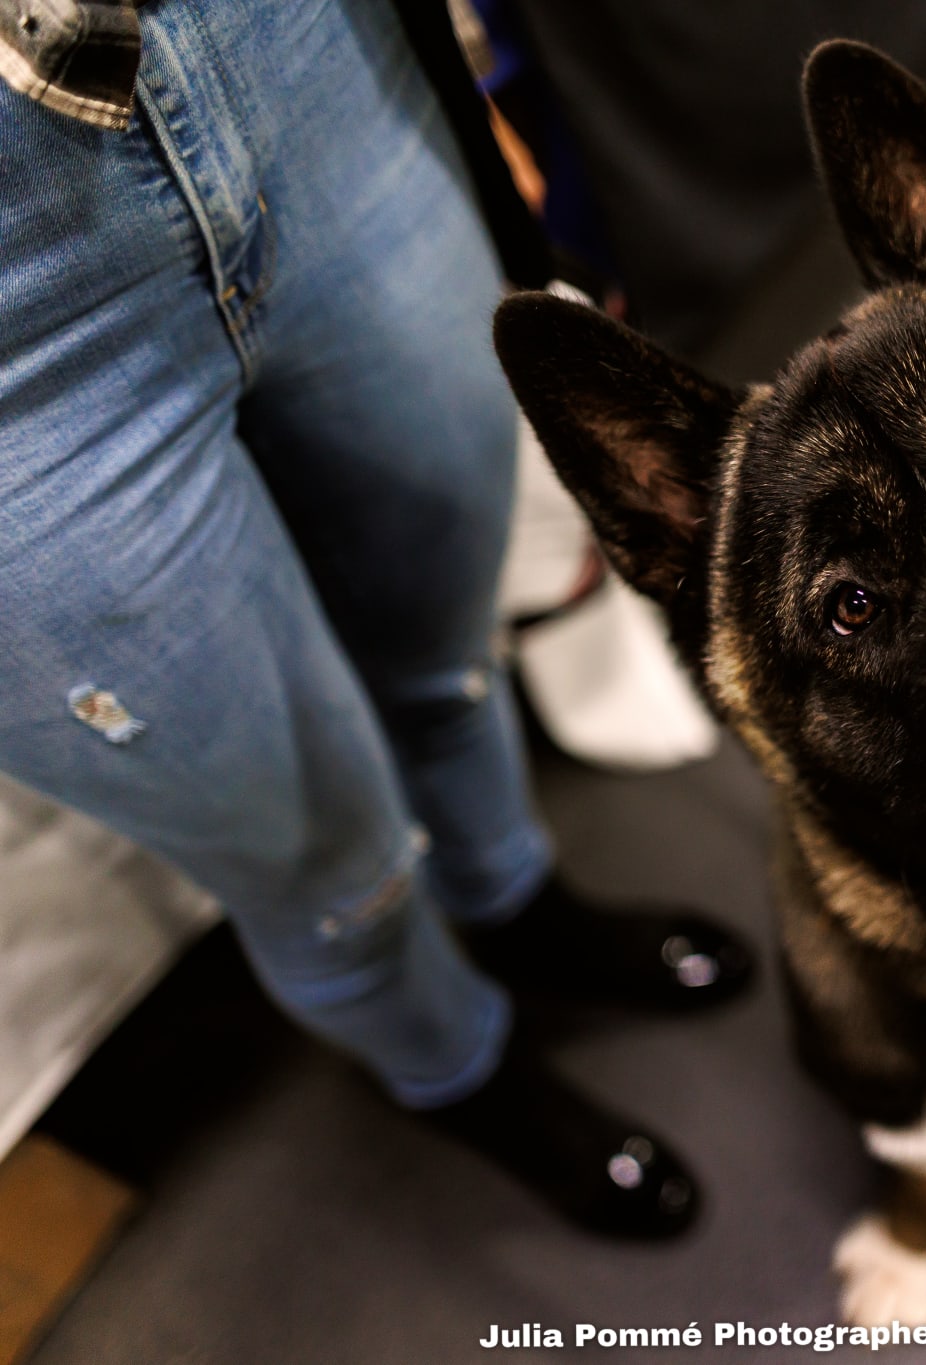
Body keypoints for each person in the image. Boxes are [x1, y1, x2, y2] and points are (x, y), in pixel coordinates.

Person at [0, 0, 750, 1239]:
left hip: (297, 61)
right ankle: (456, 1063)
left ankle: (512, 900)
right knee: (305, 847)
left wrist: (455, 60)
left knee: (446, 640)